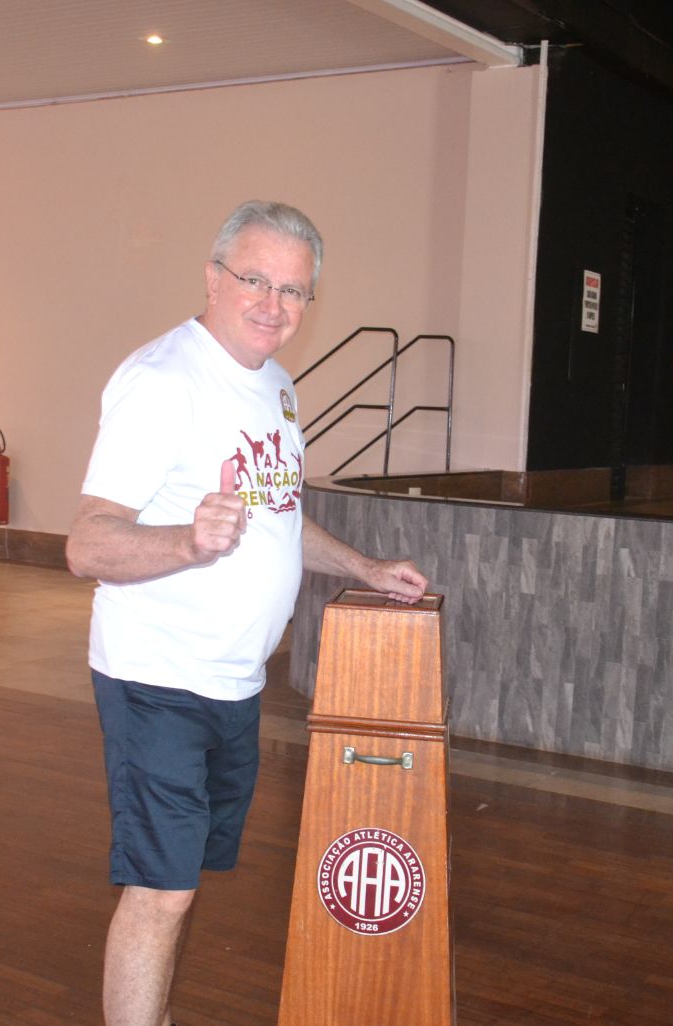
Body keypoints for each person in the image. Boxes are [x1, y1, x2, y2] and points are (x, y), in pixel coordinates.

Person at [65, 200, 428, 1026]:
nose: (273, 304)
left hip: (234, 685)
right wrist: (187, 543)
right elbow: (86, 544)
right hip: (156, 677)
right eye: (255, 280)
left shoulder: (276, 386)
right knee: (161, 890)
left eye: (293, 291)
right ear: (212, 276)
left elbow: (276, 518)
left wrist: (364, 568)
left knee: (182, 882)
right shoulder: (162, 382)